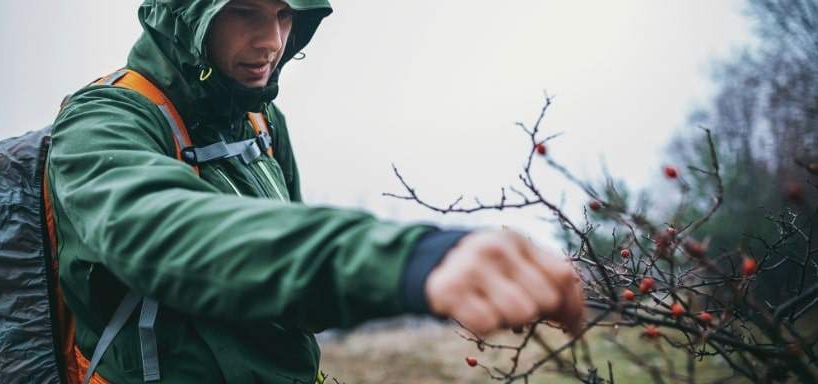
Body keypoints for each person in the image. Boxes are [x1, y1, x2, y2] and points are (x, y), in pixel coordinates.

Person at [46, 0, 585, 382]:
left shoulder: (259, 121)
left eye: (285, 15)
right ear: (187, 15)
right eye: (245, 12)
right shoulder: (103, 121)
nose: (272, 42)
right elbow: (162, 233)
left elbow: (295, 294)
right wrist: (404, 261)